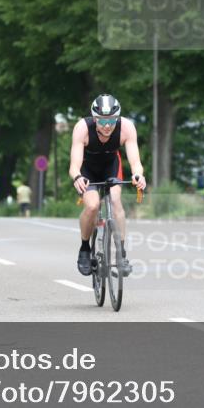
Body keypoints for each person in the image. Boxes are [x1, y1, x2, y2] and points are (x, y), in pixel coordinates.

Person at [68, 94, 147, 277]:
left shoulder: (126, 127)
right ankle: (85, 248)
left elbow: (135, 162)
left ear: (117, 118)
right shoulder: (82, 128)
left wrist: (138, 175)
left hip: (111, 166)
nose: (107, 126)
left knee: (116, 201)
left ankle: (121, 255)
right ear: (94, 119)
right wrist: (78, 177)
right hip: (87, 169)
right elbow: (74, 165)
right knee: (93, 205)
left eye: (111, 120)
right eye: (102, 121)